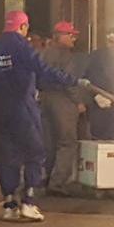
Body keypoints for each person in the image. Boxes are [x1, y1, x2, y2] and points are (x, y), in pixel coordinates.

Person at [0, 11, 84, 221]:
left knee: (7, 156)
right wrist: (72, 81)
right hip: (22, 107)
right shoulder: (22, 46)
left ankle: (9, 204)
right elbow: (42, 69)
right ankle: (28, 202)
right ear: (23, 27)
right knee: (35, 153)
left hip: (0, 107)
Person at [39, 21, 89, 196]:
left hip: (44, 99)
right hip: (63, 101)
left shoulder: (44, 53)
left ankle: (46, 177)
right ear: (59, 35)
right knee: (67, 142)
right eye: (71, 35)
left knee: (49, 141)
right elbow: (69, 81)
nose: (74, 39)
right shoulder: (66, 55)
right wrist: (78, 102)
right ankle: (58, 182)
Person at [84, 28, 114, 140]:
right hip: (98, 102)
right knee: (98, 135)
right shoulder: (96, 56)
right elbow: (88, 76)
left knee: (112, 135)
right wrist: (95, 95)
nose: (113, 45)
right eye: (110, 41)